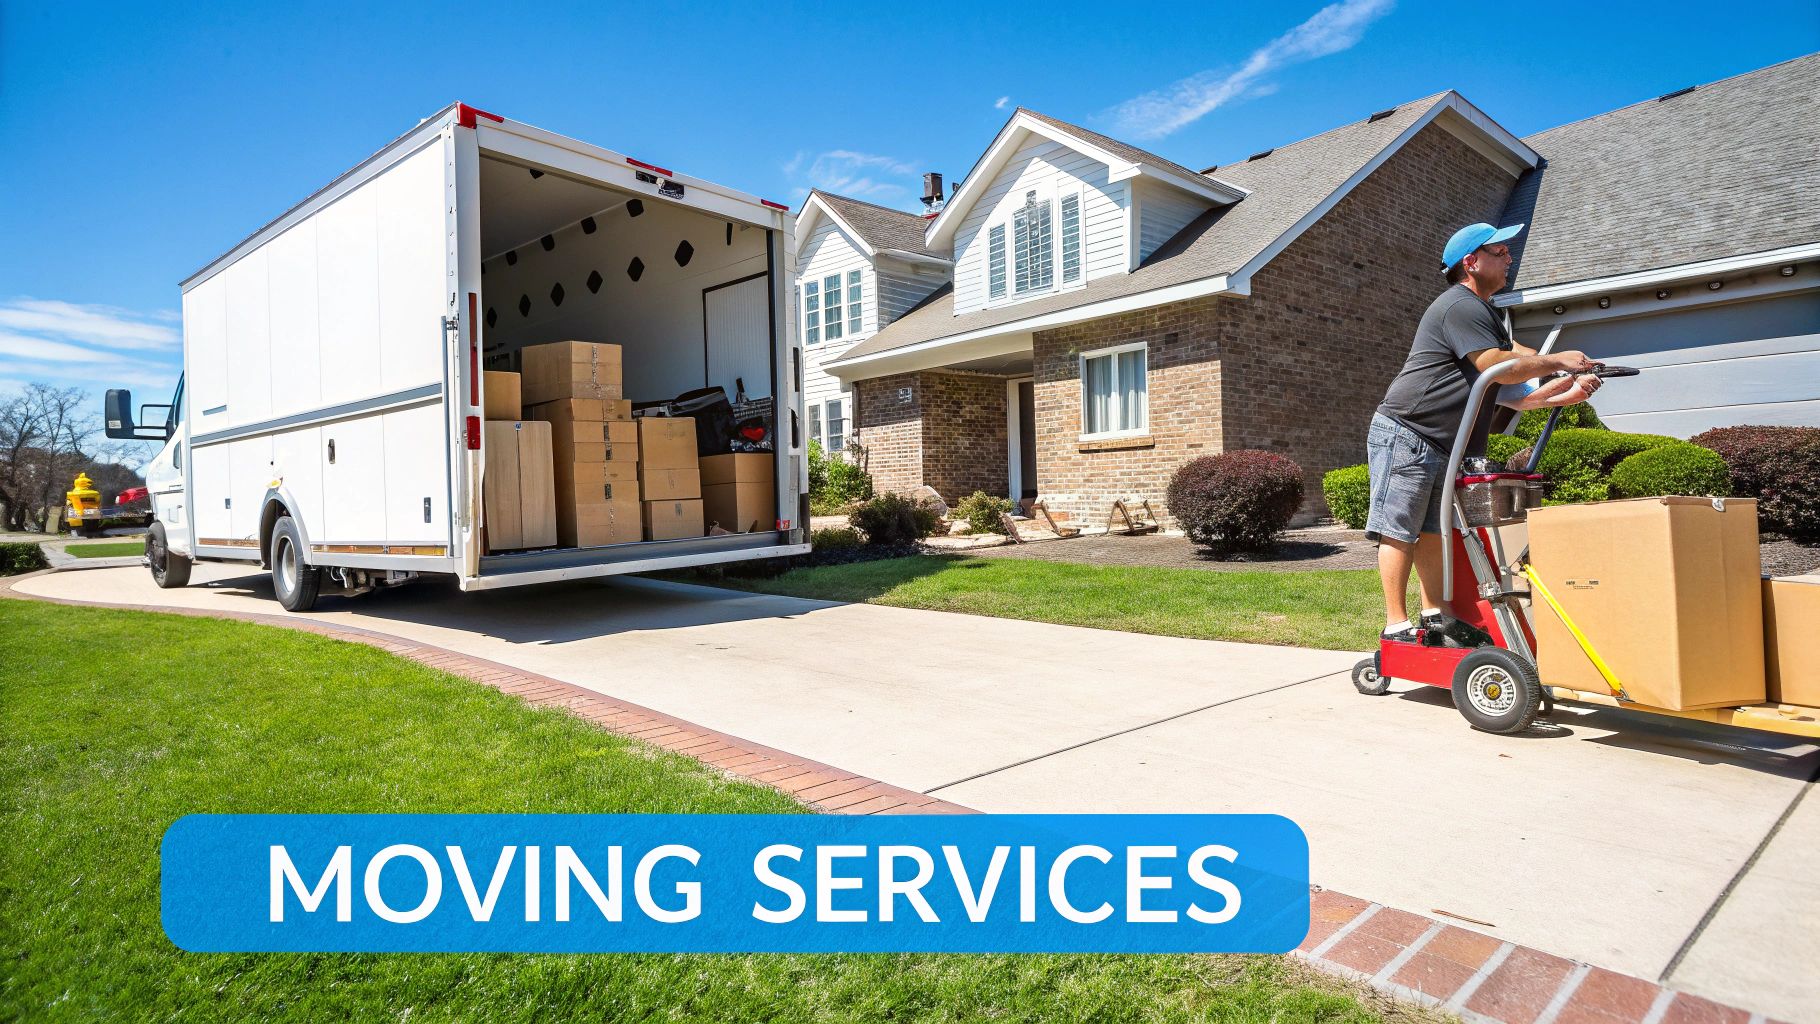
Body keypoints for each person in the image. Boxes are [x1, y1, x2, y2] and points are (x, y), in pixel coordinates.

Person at [1367, 222, 1601, 644]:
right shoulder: (1460, 306)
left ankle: (1435, 617)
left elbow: (1519, 391)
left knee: (1433, 530)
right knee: (1399, 528)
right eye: (1500, 251)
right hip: (1408, 431)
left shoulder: (1486, 315)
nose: (1510, 257)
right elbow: (1499, 366)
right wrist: (1557, 362)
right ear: (1471, 262)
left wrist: (1570, 387)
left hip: (1442, 443)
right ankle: (1396, 624)